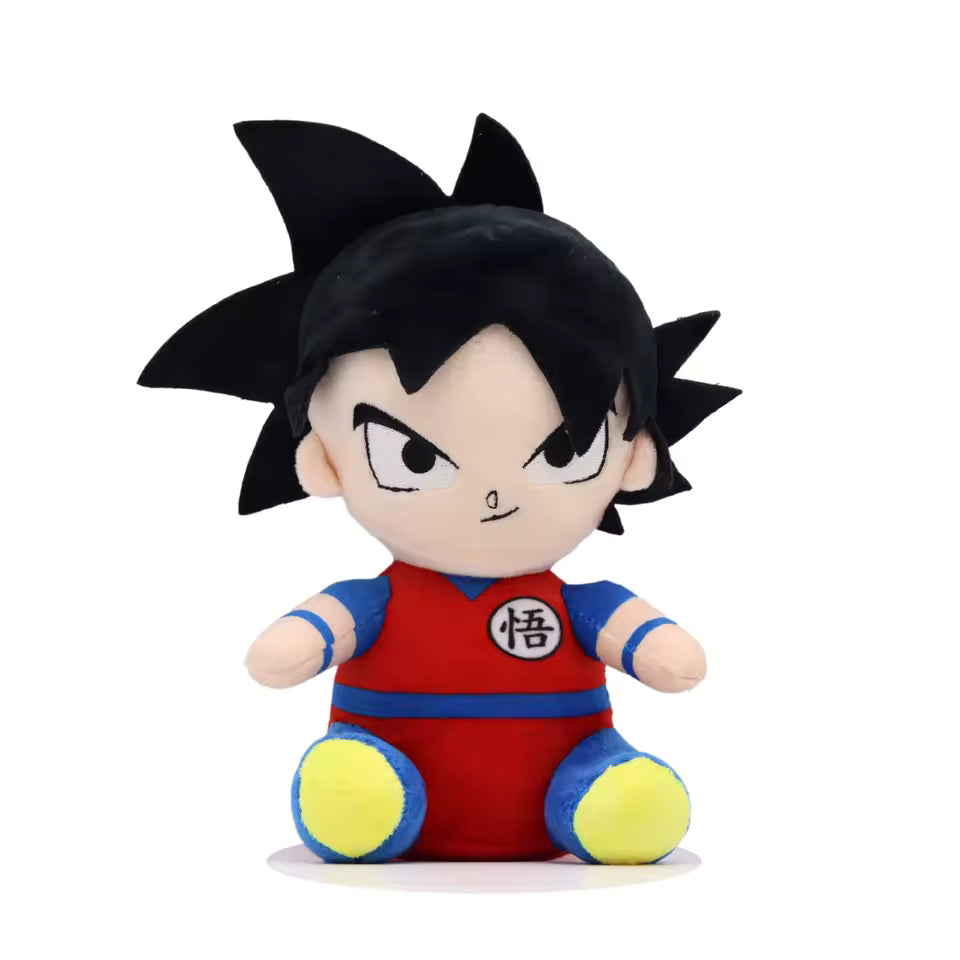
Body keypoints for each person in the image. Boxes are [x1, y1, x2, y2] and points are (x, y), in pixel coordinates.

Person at [139, 113, 739, 863]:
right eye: (415, 458)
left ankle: (603, 802)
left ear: (633, 460)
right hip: (398, 770)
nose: (494, 494)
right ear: (324, 462)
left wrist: (658, 650)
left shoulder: (584, 608)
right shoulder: (373, 605)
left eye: (563, 450)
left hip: (559, 777)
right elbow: (285, 653)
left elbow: (672, 660)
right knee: (362, 779)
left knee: (607, 784)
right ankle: (364, 800)